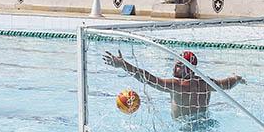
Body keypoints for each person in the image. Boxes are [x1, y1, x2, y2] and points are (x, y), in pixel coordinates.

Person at [103, 50, 245, 119]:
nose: (173, 68)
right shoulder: (205, 83)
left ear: (188, 69)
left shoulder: (177, 85)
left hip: (183, 130)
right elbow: (227, 84)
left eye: (177, 65)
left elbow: (148, 78)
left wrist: (123, 65)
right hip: (205, 124)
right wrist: (237, 78)